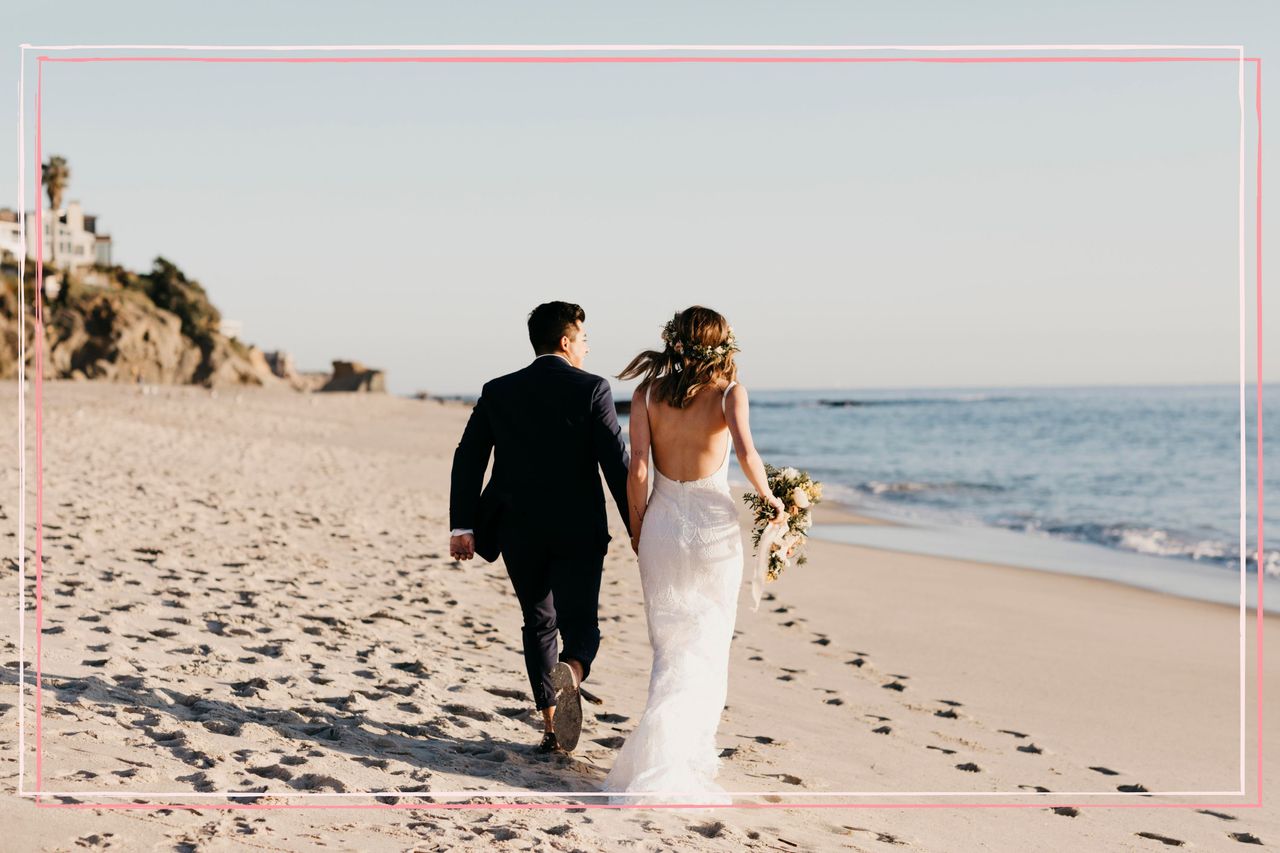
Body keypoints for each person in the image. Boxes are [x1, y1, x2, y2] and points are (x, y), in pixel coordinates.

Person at [601, 305, 786, 805]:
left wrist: (639, 527)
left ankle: (663, 754)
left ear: (674, 342)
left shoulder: (645, 394)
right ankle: (682, 757)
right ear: (721, 345)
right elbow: (746, 453)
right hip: (711, 530)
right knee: (707, 641)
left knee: (670, 647)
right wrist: (771, 498)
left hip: (661, 525)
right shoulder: (729, 394)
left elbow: (638, 467)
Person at [449, 301, 630, 754]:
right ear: (566, 342)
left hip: (517, 528)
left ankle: (550, 726)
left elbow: (468, 457)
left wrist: (462, 525)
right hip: (578, 528)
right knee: (581, 625)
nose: (587, 348)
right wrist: (638, 526)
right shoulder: (592, 389)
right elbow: (616, 464)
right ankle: (573, 669)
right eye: (584, 339)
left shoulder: (499, 390)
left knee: (537, 622)